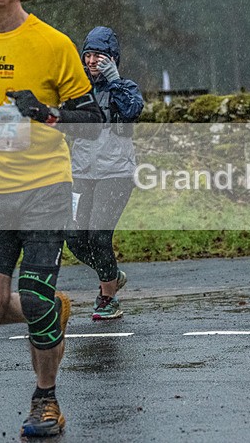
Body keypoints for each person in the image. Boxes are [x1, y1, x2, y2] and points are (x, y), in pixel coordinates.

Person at [0, 0, 103, 437]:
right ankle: (53, 307)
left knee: (34, 294)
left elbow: (93, 118)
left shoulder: (53, 43)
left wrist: (48, 114)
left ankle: (46, 400)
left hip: (44, 188)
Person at [66, 26, 143, 320]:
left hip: (116, 174)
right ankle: (112, 273)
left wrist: (115, 82)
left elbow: (133, 111)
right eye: (88, 55)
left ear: (112, 59)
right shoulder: (78, 91)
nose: (93, 61)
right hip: (82, 173)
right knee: (73, 238)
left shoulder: (126, 88)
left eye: (100, 56)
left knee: (98, 235)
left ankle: (108, 298)